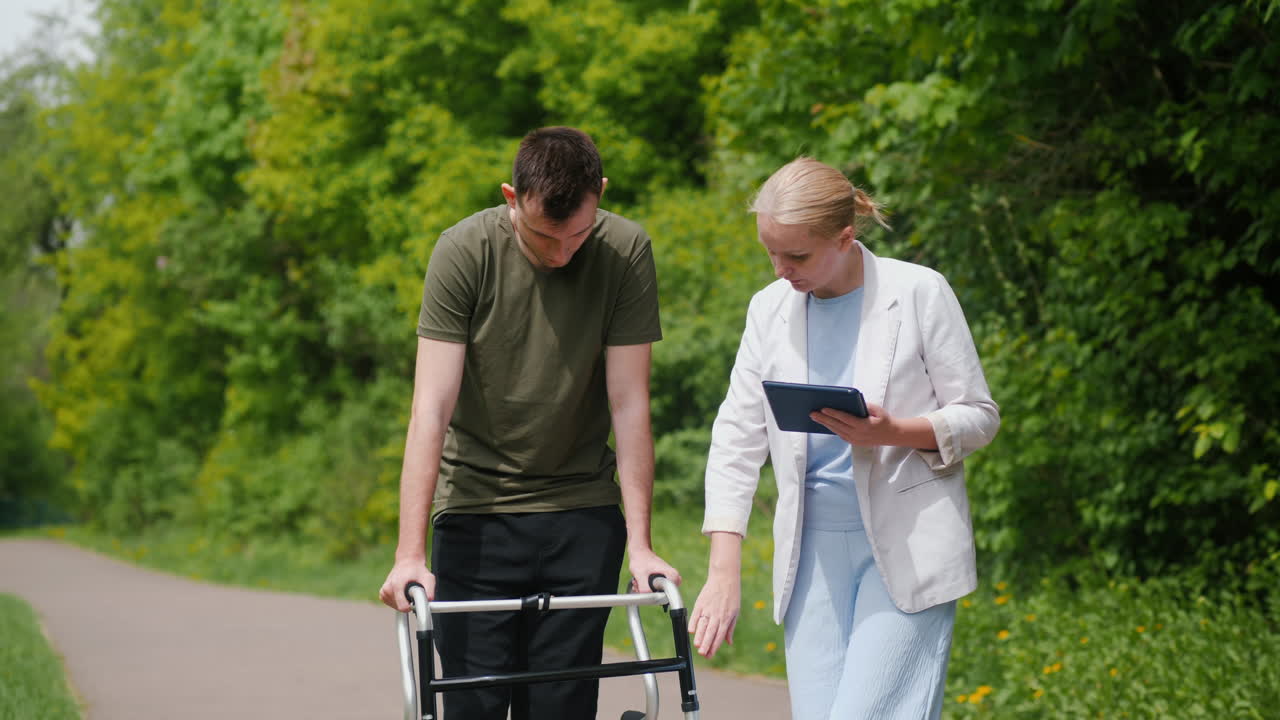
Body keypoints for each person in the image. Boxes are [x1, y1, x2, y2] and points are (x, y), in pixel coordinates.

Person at [378, 126, 680, 720]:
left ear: (601, 192)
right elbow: (431, 407)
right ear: (512, 197)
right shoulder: (464, 250)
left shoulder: (624, 249)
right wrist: (410, 553)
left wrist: (642, 546)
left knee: (561, 705)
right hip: (476, 510)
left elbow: (629, 402)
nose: (562, 252)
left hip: (582, 509)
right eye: (545, 235)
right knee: (474, 705)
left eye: (578, 234)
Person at [689, 157, 1000, 719]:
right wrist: (722, 572)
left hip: (908, 551)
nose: (781, 270)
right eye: (770, 253)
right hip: (811, 558)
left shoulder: (919, 291)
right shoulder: (768, 308)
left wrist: (895, 431)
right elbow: (737, 437)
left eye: (797, 256)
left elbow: (979, 416)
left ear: (845, 237)